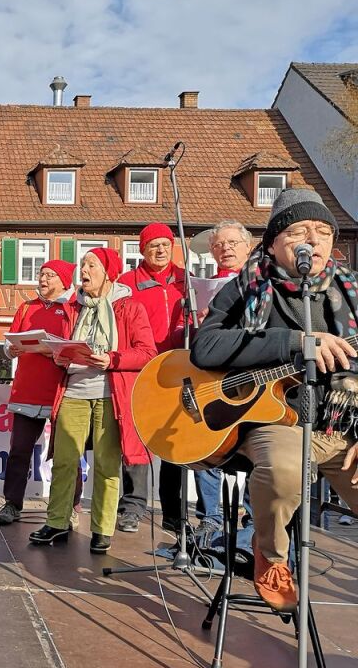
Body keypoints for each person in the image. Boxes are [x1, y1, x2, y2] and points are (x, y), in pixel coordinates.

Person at [191, 189, 358, 612]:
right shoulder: (244, 288)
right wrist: (292, 341)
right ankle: (272, 553)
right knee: (287, 467)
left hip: (341, 428)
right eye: (300, 231)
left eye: (323, 232)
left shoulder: (351, 293)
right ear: (273, 242)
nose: (314, 241)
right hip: (273, 424)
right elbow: (205, 348)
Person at [30, 248, 156, 553]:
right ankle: (57, 522)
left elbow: (147, 353)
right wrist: (60, 353)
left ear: (108, 271)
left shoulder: (130, 307)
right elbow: (62, 345)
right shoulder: (73, 307)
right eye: (82, 265)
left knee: (106, 463)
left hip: (110, 394)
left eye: (91, 265)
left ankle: (102, 528)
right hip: (73, 391)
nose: (83, 270)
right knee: (64, 462)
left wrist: (112, 359)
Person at [115, 223, 185, 534]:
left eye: (165, 245)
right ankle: (132, 506)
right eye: (152, 245)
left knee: (174, 440)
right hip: (139, 370)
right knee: (136, 438)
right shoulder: (127, 283)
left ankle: (172, 510)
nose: (159, 250)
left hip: (177, 369)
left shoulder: (185, 281)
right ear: (142, 250)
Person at [0, 260, 75, 525]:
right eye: (42, 274)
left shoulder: (73, 308)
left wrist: (48, 350)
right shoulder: (26, 307)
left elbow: (73, 348)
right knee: (19, 450)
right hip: (26, 391)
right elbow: (9, 343)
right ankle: (11, 504)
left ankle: (69, 507)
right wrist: (11, 350)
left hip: (60, 392)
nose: (43, 279)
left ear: (63, 280)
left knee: (66, 454)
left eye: (50, 275)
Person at [192, 220, 256, 550]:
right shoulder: (205, 287)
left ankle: (254, 526)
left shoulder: (263, 282)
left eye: (232, 243)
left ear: (249, 246)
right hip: (214, 377)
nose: (225, 249)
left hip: (253, 376)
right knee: (206, 442)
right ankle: (209, 518)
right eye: (218, 245)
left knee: (260, 444)